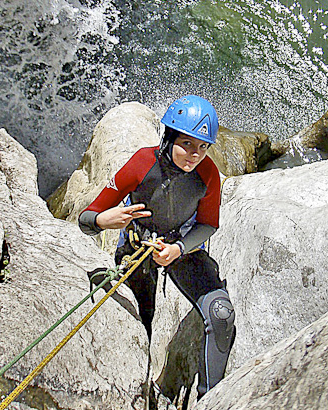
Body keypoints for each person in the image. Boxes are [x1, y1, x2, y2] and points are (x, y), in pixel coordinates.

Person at [78, 95, 235, 398]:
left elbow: (208, 225)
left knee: (220, 314)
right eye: (187, 144)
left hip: (181, 249)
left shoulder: (208, 175)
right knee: (139, 327)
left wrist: (179, 248)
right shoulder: (141, 163)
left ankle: (209, 402)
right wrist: (104, 220)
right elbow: (87, 219)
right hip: (138, 249)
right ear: (169, 137)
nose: (195, 155)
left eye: (203, 147)